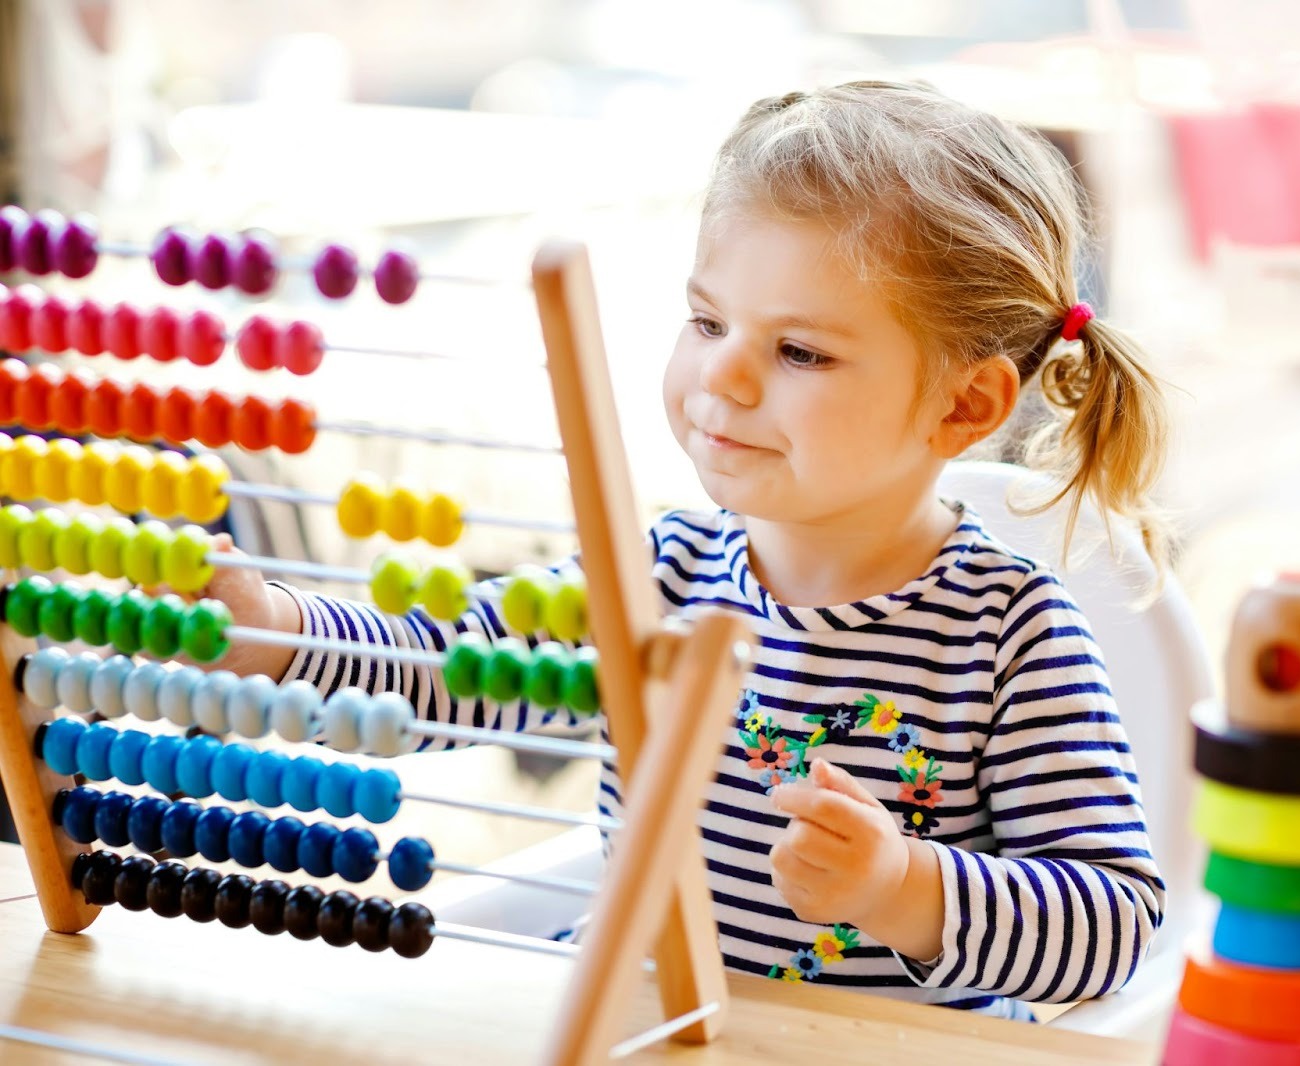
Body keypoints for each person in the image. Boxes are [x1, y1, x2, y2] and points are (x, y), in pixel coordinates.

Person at [206, 80, 1171, 1018]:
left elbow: (1115, 924)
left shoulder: (1010, 636)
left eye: (800, 352)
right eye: (708, 321)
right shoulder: (661, 577)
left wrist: (903, 885)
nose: (723, 373)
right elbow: (446, 669)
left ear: (965, 405)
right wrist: (282, 635)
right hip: (640, 1023)